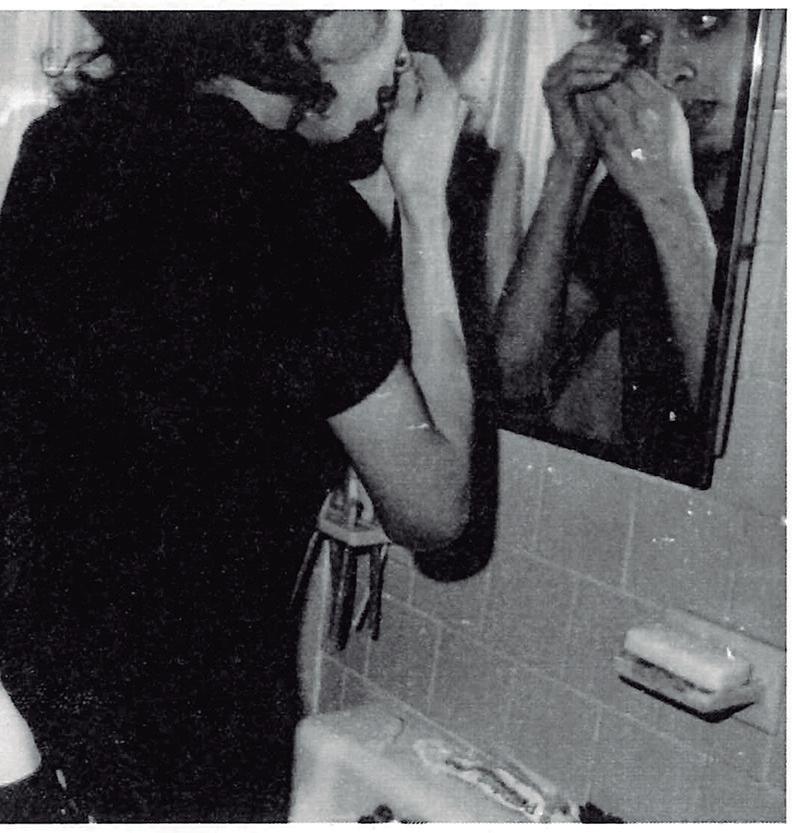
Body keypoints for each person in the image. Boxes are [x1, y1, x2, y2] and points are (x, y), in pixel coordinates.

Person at [0, 10, 472, 822]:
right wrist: (425, 203)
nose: (403, 38)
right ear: (312, 25)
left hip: (31, 718)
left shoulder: (66, 144)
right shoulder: (298, 210)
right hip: (190, 746)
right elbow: (436, 510)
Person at [496, 10, 749, 471]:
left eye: (704, 22)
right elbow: (514, 373)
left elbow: (755, 448)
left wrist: (669, 203)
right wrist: (571, 159)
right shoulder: (628, 197)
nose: (669, 69)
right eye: (644, 36)